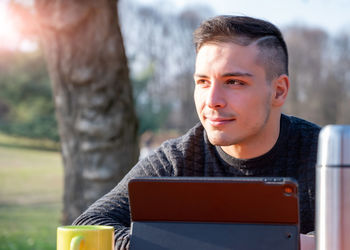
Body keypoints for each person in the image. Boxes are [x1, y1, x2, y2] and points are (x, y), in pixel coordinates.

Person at [73, 15, 320, 249]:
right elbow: (88, 226)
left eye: (234, 82)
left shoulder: (328, 157)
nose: (212, 100)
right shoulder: (177, 159)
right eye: (203, 82)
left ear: (278, 91)